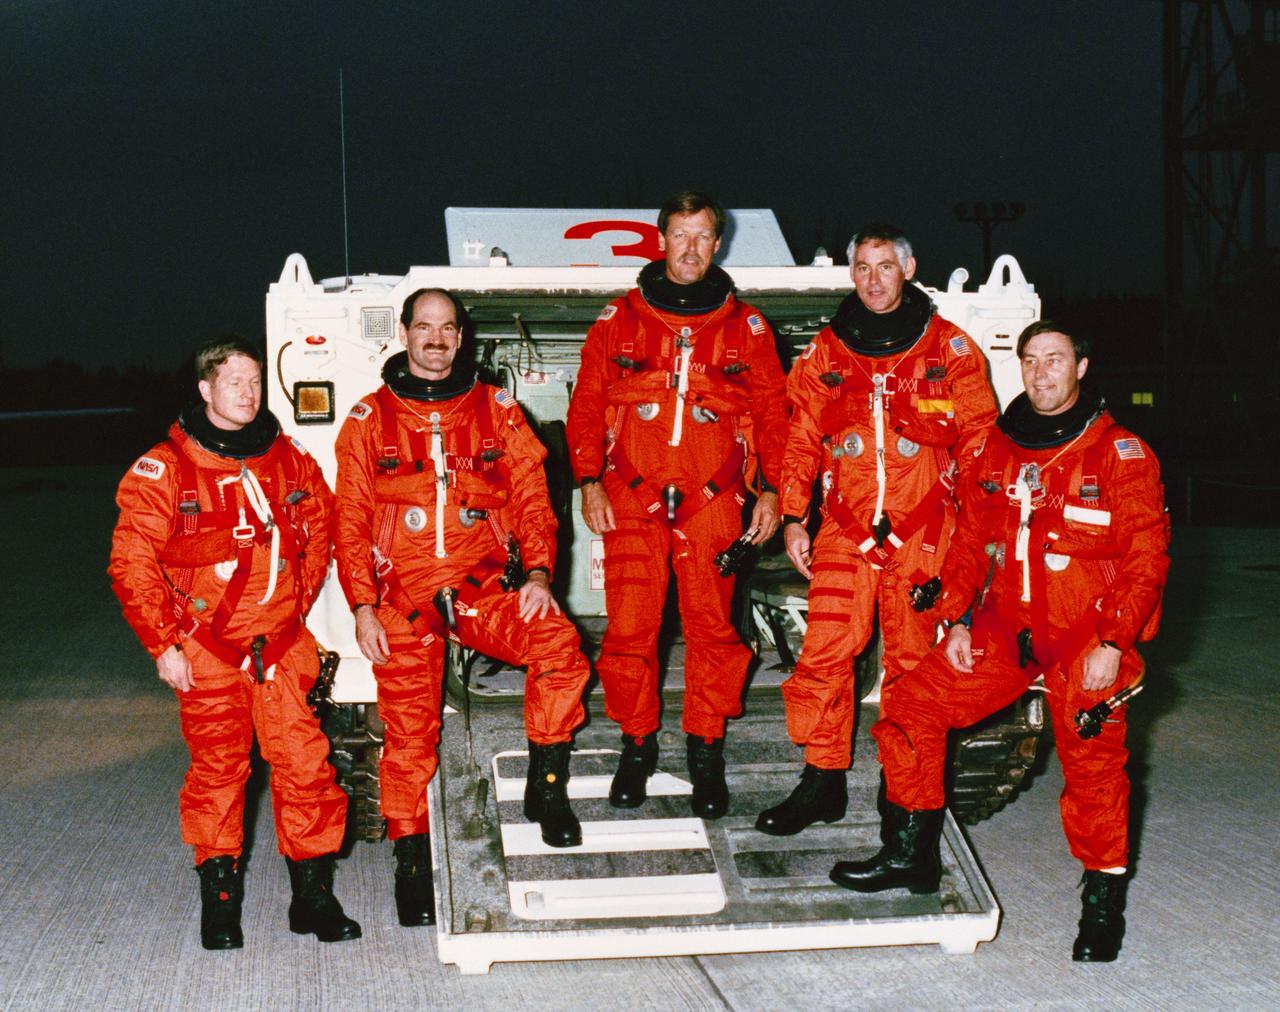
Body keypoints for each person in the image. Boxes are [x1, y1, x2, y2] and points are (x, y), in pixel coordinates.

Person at [829, 321, 1170, 963]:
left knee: (1094, 773)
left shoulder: (1119, 454)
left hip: (1086, 639)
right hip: (1004, 633)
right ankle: (911, 855)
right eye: (1031, 360)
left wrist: (1114, 641)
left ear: (1082, 367)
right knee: (910, 706)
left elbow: (1146, 559)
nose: (1042, 372)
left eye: (1056, 359)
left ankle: (1102, 904)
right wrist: (955, 618)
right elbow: (966, 548)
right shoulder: (995, 451)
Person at [334, 288, 591, 928]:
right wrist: (363, 606)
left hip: (484, 591)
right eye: (424, 327)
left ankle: (547, 789)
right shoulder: (369, 421)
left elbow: (535, 502)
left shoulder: (498, 414)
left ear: (461, 337)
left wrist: (537, 574)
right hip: (404, 601)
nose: (437, 339)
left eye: (448, 329)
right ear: (403, 333)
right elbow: (350, 522)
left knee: (559, 645)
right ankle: (413, 861)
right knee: (409, 737)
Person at [108, 337, 359, 951]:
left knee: (306, 770)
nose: (248, 394)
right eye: (234, 382)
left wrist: (297, 604)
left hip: (282, 646)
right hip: (208, 649)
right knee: (220, 775)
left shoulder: (287, 457)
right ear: (205, 389)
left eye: (255, 383)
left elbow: (320, 522)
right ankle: (220, 903)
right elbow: (130, 562)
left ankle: (312, 898)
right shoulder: (165, 467)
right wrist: (163, 645)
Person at [755, 224, 997, 836]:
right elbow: (800, 441)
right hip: (844, 528)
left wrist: (973, 526)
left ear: (909, 267)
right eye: (862, 267)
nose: (873, 279)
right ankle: (822, 780)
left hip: (924, 529)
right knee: (825, 654)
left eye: (885, 265)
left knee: (914, 668)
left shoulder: (950, 350)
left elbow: (980, 446)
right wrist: (791, 517)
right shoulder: (826, 354)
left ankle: (905, 800)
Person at [565, 190, 788, 819]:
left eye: (703, 236)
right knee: (631, 633)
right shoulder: (619, 321)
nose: (690, 248)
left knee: (714, 632)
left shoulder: (745, 327)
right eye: (680, 235)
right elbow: (585, 404)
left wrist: (773, 490)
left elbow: (774, 414)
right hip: (630, 498)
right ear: (660, 240)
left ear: (717, 244)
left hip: (714, 500)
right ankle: (636, 747)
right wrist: (588, 481)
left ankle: (705, 751)